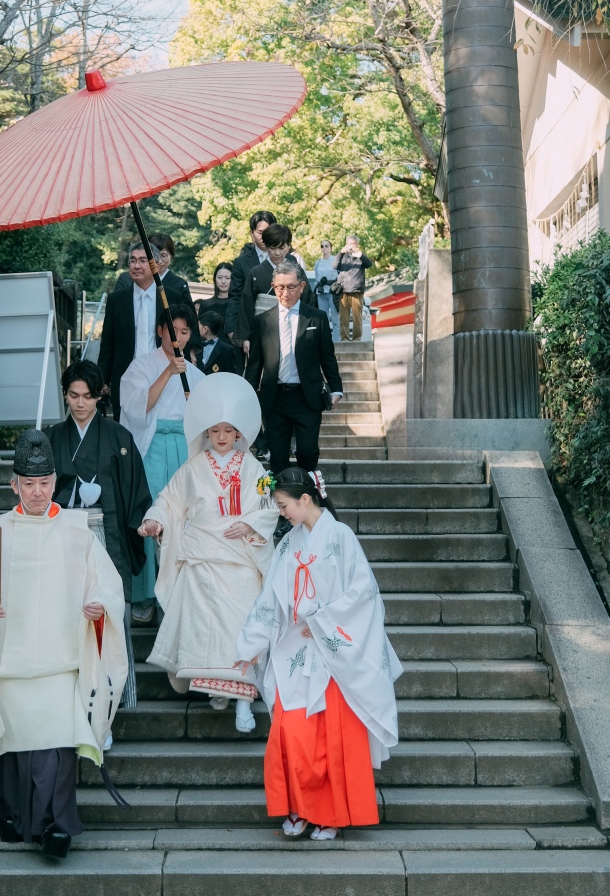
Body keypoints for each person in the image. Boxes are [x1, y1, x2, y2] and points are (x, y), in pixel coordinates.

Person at [0, 430, 127, 858]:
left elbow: (107, 587)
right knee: (13, 749)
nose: (38, 492)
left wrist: (99, 608)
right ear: (14, 485)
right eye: (29, 484)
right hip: (11, 662)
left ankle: (55, 828)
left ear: (55, 480)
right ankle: (15, 819)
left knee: (56, 751)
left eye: (44, 483)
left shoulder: (78, 531)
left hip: (61, 663)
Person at [235, 467, 402, 841]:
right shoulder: (288, 544)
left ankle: (328, 814)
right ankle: (297, 807)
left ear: (305, 499)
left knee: (329, 738)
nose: (282, 513)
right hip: (296, 647)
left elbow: (364, 594)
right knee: (290, 733)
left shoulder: (340, 537)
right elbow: (270, 601)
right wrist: (251, 645)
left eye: (284, 505)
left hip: (332, 654)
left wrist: (325, 622)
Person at [138, 374, 279, 733]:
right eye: (214, 430)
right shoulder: (192, 467)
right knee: (206, 631)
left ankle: (243, 701)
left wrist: (251, 525)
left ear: (238, 434)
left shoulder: (255, 468)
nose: (220, 437)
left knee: (242, 629)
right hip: (203, 557)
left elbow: (269, 503)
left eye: (228, 431)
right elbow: (169, 500)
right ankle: (215, 688)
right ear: (205, 432)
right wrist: (156, 520)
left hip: (241, 558)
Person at [44, 359, 152, 709]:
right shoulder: (52, 437)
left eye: (87, 397)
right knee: (68, 612)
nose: (80, 403)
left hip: (106, 533)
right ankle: (73, 698)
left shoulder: (118, 436)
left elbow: (135, 489)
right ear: (65, 396)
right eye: (73, 396)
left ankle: (114, 697)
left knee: (108, 609)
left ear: (99, 397)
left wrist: (142, 522)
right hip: (64, 534)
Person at [120, 304, 205, 623]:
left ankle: (181, 593)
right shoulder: (142, 367)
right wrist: (168, 371)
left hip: (185, 448)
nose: (179, 338)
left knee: (184, 518)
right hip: (152, 446)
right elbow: (136, 408)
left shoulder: (195, 375)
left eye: (185, 332)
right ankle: (145, 595)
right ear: (160, 331)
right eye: (173, 331)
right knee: (151, 515)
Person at [245, 260, 343, 475]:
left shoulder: (316, 317)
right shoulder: (263, 321)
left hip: (307, 396)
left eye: (291, 287)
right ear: (273, 286)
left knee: (308, 452)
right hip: (274, 397)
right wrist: (247, 396)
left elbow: (327, 356)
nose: (285, 293)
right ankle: (283, 505)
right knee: (278, 456)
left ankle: (307, 496)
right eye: (280, 287)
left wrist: (336, 388)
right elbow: (255, 363)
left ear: (302, 286)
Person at [98, 240, 194, 421]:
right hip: (127, 377)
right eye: (132, 261)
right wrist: (102, 380)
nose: (136, 265)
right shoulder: (117, 300)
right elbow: (108, 344)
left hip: (164, 372)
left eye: (143, 260)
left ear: (156, 266)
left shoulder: (172, 297)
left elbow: (184, 336)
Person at [234, 224, 316, 353]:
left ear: (288, 247)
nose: (277, 253)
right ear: (266, 247)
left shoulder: (297, 271)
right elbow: (247, 305)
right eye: (272, 248)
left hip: (293, 327)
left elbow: (307, 299)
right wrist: (245, 337)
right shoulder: (256, 273)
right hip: (263, 329)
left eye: (281, 248)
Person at [225, 211, 277, 348]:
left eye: (268, 232)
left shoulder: (288, 259)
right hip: (251, 327)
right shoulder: (241, 263)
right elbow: (235, 297)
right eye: (260, 233)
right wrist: (232, 329)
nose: (265, 237)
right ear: (252, 233)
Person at [114, 233, 193, 306]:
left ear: (171, 256)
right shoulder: (126, 279)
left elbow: (188, 316)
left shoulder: (179, 285)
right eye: (153, 255)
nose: (159, 260)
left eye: (163, 255)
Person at [333, 235, 373, 342]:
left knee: (357, 317)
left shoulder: (360, 256)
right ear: (346, 244)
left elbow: (369, 264)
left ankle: (357, 338)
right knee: (343, 317)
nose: (351, 246)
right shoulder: (343, 256)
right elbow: (335, 265)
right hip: (343, 289)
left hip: (357, 289)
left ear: (357, 245)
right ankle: (344, 338)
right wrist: (340, 253)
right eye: (349, 244)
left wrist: (361, 255)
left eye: (353, 244)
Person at [195, 261, 234, 332]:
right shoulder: (205, 304)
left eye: (227, 278)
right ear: (215, 279)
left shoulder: (239, 303)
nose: (223, 281)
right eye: (219, 277)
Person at [196, 309, 237, 374]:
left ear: (205, 329)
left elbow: (231, 374)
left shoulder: (227, 350)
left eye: (198, 326)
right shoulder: (196, 346)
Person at [313, 240, 340, 341]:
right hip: (321, 293)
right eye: (322, 246)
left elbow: (339, 277)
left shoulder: (335, 261)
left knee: (335, 319)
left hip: (332, 292)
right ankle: (325, 341)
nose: (324, 248)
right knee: (323, 319)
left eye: (326, 246)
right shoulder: (318, 262)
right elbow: (316, 278)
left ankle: (336, 341)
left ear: (330, 248)